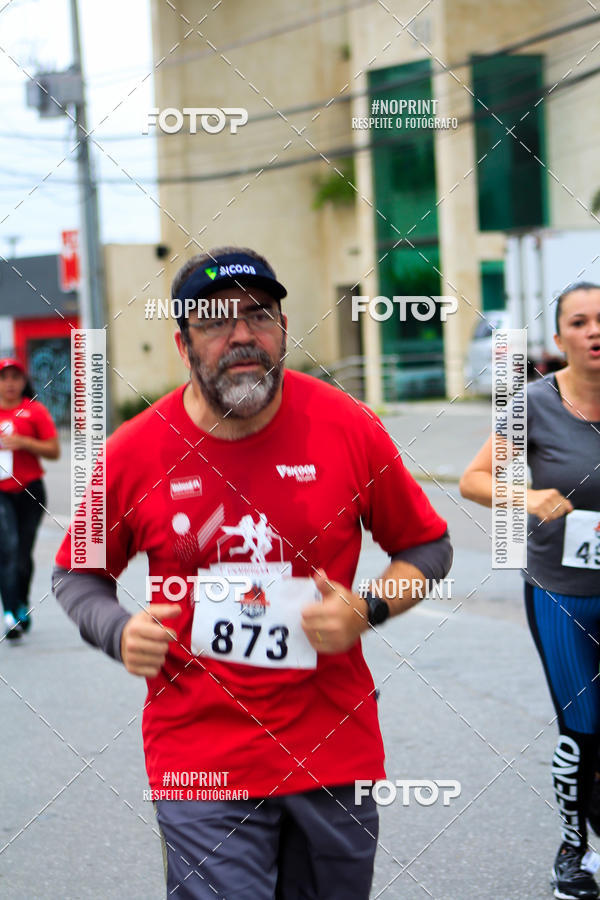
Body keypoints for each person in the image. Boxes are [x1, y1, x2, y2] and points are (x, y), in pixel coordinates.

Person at [53, 246, 453, 899]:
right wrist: (117, 630)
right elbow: (77, 574)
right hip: (199, 758)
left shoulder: (348, 427)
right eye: (214, 320)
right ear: (183, 346)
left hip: (332, 748)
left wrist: (368, 608)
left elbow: (427, 548)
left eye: (258, 314)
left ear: (284, 329)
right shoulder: (136, 451)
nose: (242, 334)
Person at [460, 282, 600, 900]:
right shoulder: (534, 404)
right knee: (585, 729)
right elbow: (473, 479)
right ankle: (574, 851)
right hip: (561, 591)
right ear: (560, 338)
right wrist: (527, 496)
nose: (595, 330)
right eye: (580, 321)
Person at [0, 357, 59, 639]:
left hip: (30, 491)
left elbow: (54, 451)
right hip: (1, 494)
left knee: (22, 555)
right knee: (7, 550)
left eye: (15, 378)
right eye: (4, 378)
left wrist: (23, 442)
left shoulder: (34, 411)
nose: (10, 384)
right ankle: (9, 613)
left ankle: (21, 603)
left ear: (23, 382)